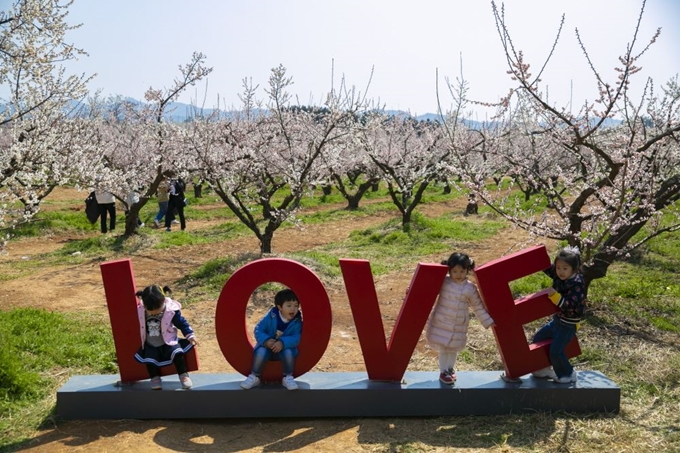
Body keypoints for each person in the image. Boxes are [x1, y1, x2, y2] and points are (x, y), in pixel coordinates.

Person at [426, 252, 495, 384]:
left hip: (458, 323)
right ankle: (443, 371)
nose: (458, 274)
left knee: (453, 347)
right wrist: (412, 290)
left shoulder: (470, 288)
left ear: (467, 270)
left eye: (462, 271)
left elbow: (477, 305)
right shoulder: (444, 282)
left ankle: (450, 369)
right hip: (442, 320)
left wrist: (487, 320)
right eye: (455, 271)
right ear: (449, 270)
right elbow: (428, 289)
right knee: (443, 348)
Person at [530, 246, 586, 384]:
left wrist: (555, 296)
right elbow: (547, 268)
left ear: (574, 268)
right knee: (538, 339)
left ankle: (568, 373)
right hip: (557, 321)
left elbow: (570, 305)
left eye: (565, 268)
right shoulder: (558, 274)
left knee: (556, 351)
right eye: (558, 267)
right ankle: (543, 368)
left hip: (569, 324)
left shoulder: (577, 283)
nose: (560, 271)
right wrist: (536, 257)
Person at [133, 284, 198, 390]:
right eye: (150, 309)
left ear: (163, 301)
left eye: (156, 309)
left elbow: (181, 323)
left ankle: (183, 375)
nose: (153, 312)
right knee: (149, 361)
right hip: (151, 343)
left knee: (178, 354)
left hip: (168, 341)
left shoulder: (171, 310)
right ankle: (154, 378)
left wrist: (190, 335)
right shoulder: (141, 310)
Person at [240, 288, 302, 390]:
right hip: (267, 347)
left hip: (284, 349)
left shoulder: (297, 321)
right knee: (261, 352)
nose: (293, 309)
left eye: (296, 306)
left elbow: (297, 337)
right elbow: (258, 329)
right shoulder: (271, 316)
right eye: (289, 305)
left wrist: (283, 342)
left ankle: (288, 377)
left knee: (288, 353)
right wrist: (266, 341)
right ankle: (255, 376)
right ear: (279, 307)